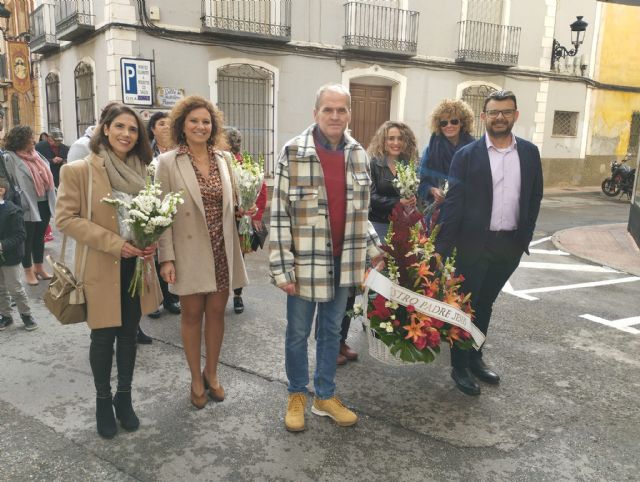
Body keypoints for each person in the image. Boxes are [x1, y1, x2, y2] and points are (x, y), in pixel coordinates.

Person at [270, 83, 384, 432]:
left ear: (349, 114)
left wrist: (373, 251)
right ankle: (296, 396)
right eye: (328, 110)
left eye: (341, 110)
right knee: (297, 333)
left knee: (332, 332)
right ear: (315, 113)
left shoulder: (359, 154)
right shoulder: (293, 153)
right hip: (306, 265)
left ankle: (324, 396)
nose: (335, 116)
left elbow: (361, 213)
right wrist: (281, 267)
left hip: (345, 262)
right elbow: (278, 215)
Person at [55, 104, 162, 438]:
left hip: (136, 266)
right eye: (119, 127)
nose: (126, 134)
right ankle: (103, 400)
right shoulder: (79, 170)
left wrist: (152, 238)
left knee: (129, 335)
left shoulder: (145, 170)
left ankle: (124, 397)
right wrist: (115, 243)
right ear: (104, 128)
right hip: (101, 265)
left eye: (133, 129)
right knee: (102, 336)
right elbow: (65, 219)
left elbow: (154, 212)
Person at [436, 90, 543, 396]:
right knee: (465, 306)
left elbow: (534, 196)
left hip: (509, 245)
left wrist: (526, 234)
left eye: (506, 112)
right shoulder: (467, 156)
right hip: (473, 245)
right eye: (494, 112)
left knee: (486, 303)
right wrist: (442, 250)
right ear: (484, 117)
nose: (500, 117)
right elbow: (453, 204)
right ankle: (459, 365)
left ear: (515, 115)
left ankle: (476, 357)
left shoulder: (529, 153)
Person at [157, 96, 248, 410]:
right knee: (192, 316)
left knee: (217, 314)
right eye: (194, 120)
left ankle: (212, 373)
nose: (200, 126)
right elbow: (162, 214)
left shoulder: (224, 159)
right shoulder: (167, 162)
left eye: (206, 121)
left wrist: (244, 213)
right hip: (188, 250)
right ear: (183, 124)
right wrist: (166, 257)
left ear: (214, 126)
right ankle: (195, 377)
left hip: (222, 247)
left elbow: (234, 202)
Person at [2, 126, 56, 286]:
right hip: (26, 204)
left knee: (40, 237)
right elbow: (9, 182)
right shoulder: (10, 157)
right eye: (30, 138)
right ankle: (28, 271)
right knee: (27, 238)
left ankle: (39, 267)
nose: (33, 140)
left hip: (44, 201)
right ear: (21, 140)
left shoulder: (35, 154)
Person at [223, 126, 268, 315]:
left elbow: (261, 190)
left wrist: (254, 215)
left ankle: (237, 295)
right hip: (220, 221)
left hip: (240, 220)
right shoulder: (214, 163)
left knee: (238, 258)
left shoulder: (245, 165)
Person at [143, 111, 180, 333]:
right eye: (161, 123)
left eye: (169, 123)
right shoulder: (146, 152)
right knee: (155, 258)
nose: (166, 127)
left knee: (173, 255)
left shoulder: (179, 150)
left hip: (176, 210)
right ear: (153, 129)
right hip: (152, 209)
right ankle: (154, 299)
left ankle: (171, 297)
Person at [418, 99, 475, 229]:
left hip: (466, 215)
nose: (449, 125)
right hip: (438, 216)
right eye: (444, 123)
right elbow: (422, 184)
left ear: (462, 123)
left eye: (454, 121)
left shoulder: (474, 149)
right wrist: (433, 190)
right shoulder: (431, 150)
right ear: (439, 126)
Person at [368, 120, 419, 241]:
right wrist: (398, 202)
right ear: (383, 141)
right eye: (391, 138)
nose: (396, 143)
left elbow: (415, 190)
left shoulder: (410, 164)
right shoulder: (373, 164)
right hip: (379, 225)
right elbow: (370, 197)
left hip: (405, 224)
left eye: (400, 138)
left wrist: (413, 198)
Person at [0, 176, 38, 331]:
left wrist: (2, 245)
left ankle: (26, 315)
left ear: (2, 191)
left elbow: (20, 235)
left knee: (14, 287)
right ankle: (6, 316)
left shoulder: (12, 211)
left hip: (10, 256)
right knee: (0, 289)